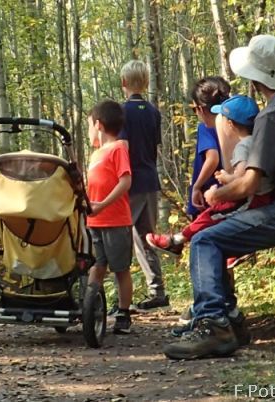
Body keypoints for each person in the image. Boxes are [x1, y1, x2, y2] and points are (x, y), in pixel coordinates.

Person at [163, 34, 275, 360]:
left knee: (206, 241)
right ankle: (228, 320)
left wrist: (216, 194)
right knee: (216, 237)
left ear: (254, 79)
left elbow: (248, 185)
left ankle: (214, 325)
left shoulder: (274, 115)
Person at [145, 95, 273, 257]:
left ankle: (176, 241)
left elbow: (242, 179)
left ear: (230, 124)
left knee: (213, 214)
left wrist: (226, 179)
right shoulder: (259, 141)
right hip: (263, 195)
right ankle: (178, 239)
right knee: (216, 214)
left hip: (255, 199)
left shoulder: (243, 146)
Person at [118, 60, 168, 311]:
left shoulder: (121, 113)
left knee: (120, 236)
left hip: (129, 181)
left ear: (123, 82)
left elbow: (122, 148)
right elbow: (154, 147)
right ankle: (157, 290)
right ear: (146, 82)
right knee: (146, 236)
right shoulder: (153, 112)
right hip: (150, 179)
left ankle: (122, 298)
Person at [86, 100, 134, 334]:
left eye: (89, 126)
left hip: (115, 220)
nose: (89, 131)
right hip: (94, 221)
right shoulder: (95, 154)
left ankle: (124, 313)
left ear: (99, 125)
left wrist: (103, 204)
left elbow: (125, 181)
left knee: (120, 268)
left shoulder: (118, 149)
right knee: (96, 265)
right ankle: (91, 307)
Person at [186, 76, 230, 220]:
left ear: (200, 109)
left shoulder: (205, 128)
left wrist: (197, 186)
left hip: (208, 198)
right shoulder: (234, 126)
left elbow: (212, 158)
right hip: (230, 195)